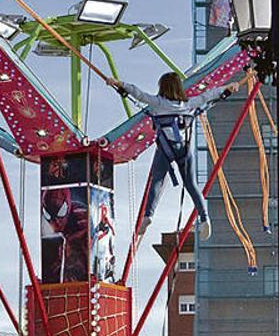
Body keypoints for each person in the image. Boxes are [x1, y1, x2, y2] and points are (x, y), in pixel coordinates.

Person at [106, 69, 256, 240]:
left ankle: (148, 215)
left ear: (162, 88)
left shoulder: (158, 103)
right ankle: (204, 217)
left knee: (157, 180)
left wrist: (119, 84)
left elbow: (138, 94)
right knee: (191, 184)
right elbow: (209, 96)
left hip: (165, 149)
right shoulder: (189, 104)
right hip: (184, 149)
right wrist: (228, 88)